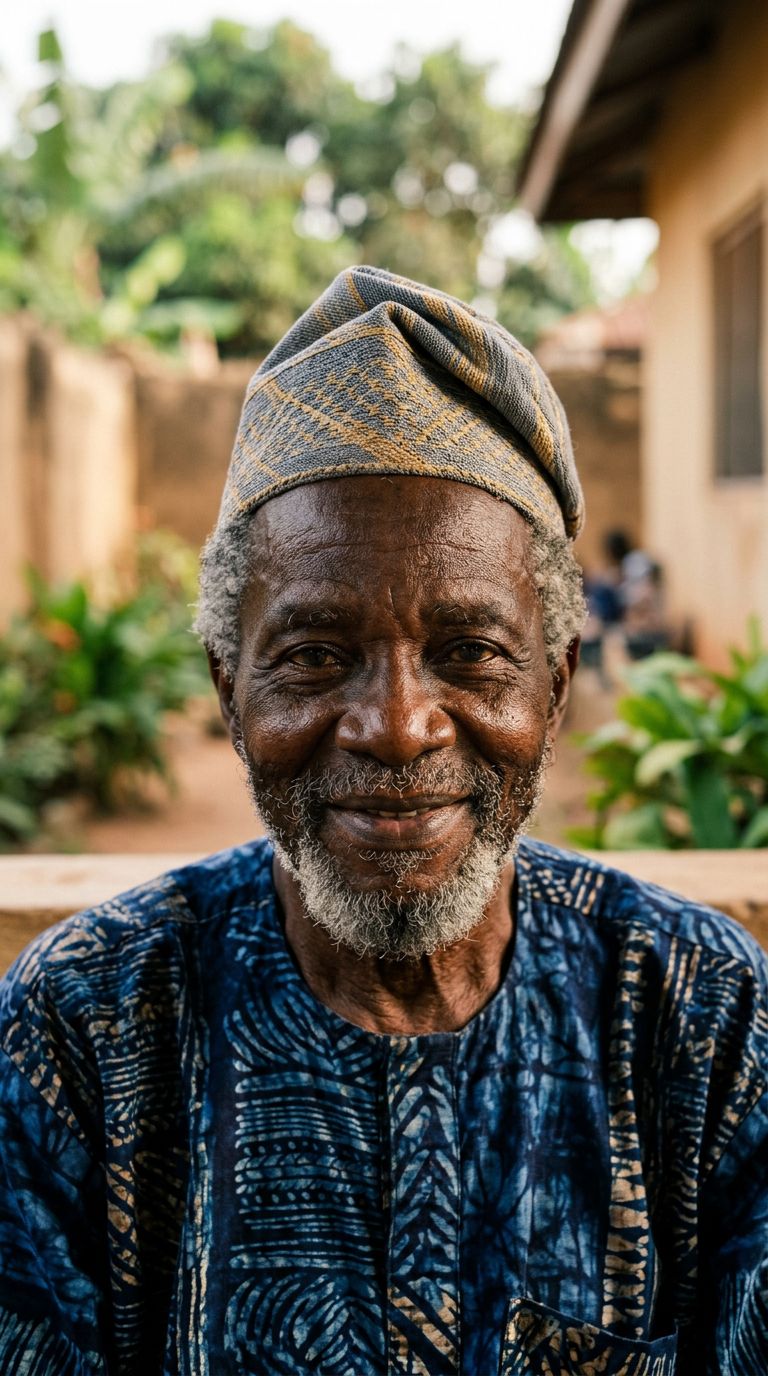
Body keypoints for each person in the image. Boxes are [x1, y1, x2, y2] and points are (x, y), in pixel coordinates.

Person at [0, 268, 765, 1376]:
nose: (399, 728)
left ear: (555, 683)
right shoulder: (82, 1033)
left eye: (470, 652)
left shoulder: (698, 1018)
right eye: (315, 655)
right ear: (229, 687)